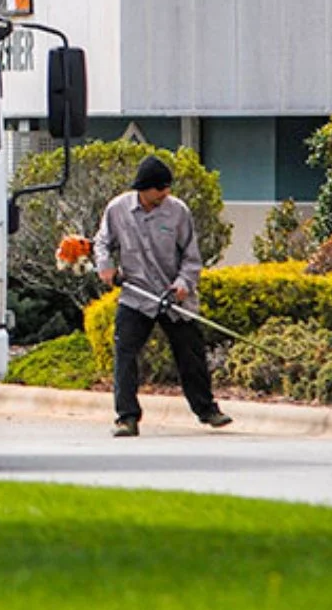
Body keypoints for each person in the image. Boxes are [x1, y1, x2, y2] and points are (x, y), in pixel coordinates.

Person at [93, 155, 233, 437]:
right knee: (125, 352)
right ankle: (127, 417)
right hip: (137, 295)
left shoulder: (178, 212)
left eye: (168, 188)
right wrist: (105, 266)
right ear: (143, 188)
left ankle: (207, 410)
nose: (165, 194)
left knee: (190, 353)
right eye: (159, 189)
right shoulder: (117, 209)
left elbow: (192, 257)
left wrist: (183, 284)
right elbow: (102, 243)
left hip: (173, 297)